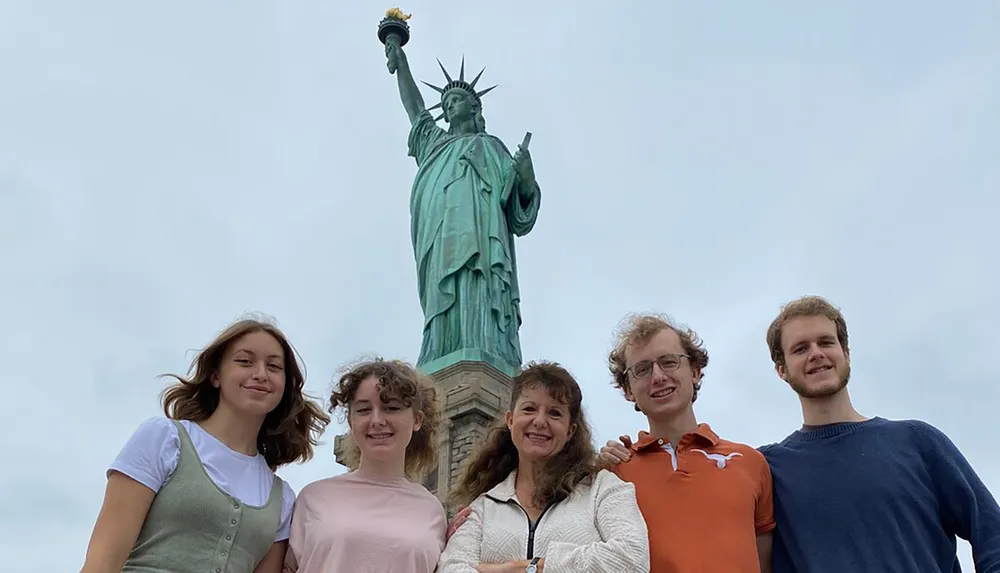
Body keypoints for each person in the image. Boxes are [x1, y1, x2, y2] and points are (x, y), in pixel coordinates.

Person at [758, 295, 1000, 572]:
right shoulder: (769, 469)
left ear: (846, 354)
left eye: (826, 342)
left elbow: (992, 535)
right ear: (781, 370)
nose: (816, 353)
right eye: (800, 348)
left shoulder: (916, 441)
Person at [80, 317, 331, 573]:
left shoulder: (283, 499)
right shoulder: (164, 439)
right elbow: (103, 561)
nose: (260, 374)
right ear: (215, 376)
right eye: (244, 361)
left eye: (274, 366)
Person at [597, 313, 775, 573]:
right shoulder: (613, 472)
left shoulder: (751, 463)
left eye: (669, 362)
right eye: (642, 369)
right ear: (627, 389)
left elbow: (765, 562)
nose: (657, 376)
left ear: (694, 371)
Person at [438, 361, 650, 573]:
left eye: (555, 413)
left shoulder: (602, 488)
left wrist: (524, 568)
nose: (540, 421)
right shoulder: (482, 507)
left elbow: (632, 558)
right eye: (529, 409)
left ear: (570, 430)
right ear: (510, 420)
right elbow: (451, 568)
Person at [282, 358, 447, 573]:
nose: (377, 420)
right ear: (351, 422)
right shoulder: (313, 498)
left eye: (391, 408)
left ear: (417, 420)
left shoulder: (432, 511)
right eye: (363, 410)